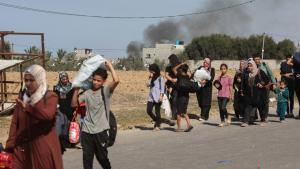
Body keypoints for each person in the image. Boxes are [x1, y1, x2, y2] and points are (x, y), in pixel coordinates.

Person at [5, 64, 63, 169]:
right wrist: (10, 146)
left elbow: (48, 115)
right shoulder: (23, 97)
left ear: (40, 80)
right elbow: (15, 123)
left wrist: (28, 108)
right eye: (26, 80)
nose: (27, 83)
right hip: (22, 150)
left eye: (31, 80)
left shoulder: (50, 97)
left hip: (43, 150)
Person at [72, 61, 119, 169]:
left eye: (99, 81)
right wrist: (76, 89)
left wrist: (110, 66)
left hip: (100, 131)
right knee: (87, 161)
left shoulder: (105, 91)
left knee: (102, 158)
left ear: (103, 82)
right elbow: (74, 104)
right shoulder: (87, 93)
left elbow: (116, 81)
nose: (96, 83)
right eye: (94, 80)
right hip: (86, 131)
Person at [241, 59, 270, 127]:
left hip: (259, 95)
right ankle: (245, 121)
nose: (249, 67)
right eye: (248, 66)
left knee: (261, 108)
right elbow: (244, 84)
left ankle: (263, 120)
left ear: (254, 66)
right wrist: (243, 92)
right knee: (248, 108)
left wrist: (262, 84)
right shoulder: (247, 74)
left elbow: (267, 79)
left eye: (251, 66)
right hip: (250, 95)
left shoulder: (259, 72)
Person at [146, 64, 175, 131]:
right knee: (148, 110)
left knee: (157, 112)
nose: (151, 72)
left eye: (152, 71)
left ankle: (157, 126)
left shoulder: (160, 78)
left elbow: (162, 88)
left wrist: (161, 96)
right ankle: (158, 120)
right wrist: (149, 78)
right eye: (150, 71)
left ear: (155, 70)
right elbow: (147, 85)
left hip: (158, 97)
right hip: (151, 97)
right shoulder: (151, 78)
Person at [253, 54, 275, 121]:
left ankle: (265, 116)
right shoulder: (252, 67)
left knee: (265, 101)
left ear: (260, 59)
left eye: (258, 59)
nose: (257, 61)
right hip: (256, 87)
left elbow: (270, 74)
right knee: (256, 101)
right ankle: (255, 116)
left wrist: (274, 83)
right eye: (255, 59)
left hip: (266, 86)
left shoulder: (264, 65)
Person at [172, 63, 193, 132]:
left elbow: (173, 69)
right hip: (186, 96)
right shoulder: (188, 76)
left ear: (181, 69)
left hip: (180, 96)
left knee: (178, 112)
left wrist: (180, 64)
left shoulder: (179, 75)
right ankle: (189, 125)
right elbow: (191, 73)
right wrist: (187, 68)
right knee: (184, 111)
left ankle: (179, 127)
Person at [165, 54, 181, 120]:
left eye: (170, 60)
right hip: (170, 85)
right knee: (171, 100)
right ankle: (174, 114)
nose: (170, 62)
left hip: (178, 85)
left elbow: (183, 75)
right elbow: (166, 75)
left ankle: (176, 115)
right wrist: (171, 80)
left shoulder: (180, 66)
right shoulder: (168, 67)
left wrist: (177, 80)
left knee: (175, 99)